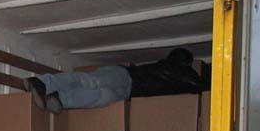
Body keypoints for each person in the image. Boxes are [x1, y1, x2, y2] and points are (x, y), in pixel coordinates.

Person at [23, 47, 208, 113]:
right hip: (124, 75)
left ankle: (59, 99)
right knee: (90, 81)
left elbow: (195, 85)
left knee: (101, 98)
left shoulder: (180, 78)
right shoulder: (171, 68)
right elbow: (196, 84)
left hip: (128, 94)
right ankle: (42, 83)